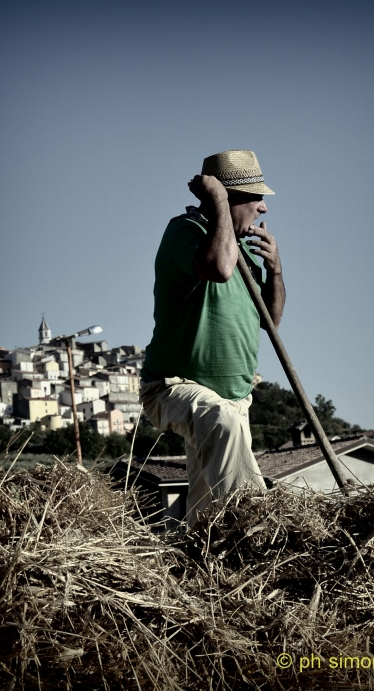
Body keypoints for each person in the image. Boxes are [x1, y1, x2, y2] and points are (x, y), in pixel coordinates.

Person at [140, 150, 286, 527]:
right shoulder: (186, 232)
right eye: (256, 198)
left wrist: (275, 272)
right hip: (174, 388)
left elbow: (270, 324)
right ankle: (262, 528)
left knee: (208, 510)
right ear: (229, 198)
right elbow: (219, 269)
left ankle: (200, 561)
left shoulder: (240, 252)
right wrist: (217, 201)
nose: (263, 209)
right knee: (222, 425)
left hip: (236, 399)